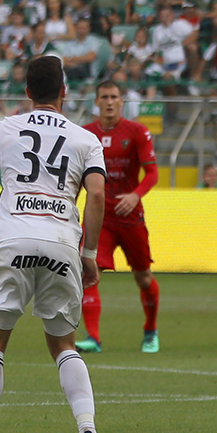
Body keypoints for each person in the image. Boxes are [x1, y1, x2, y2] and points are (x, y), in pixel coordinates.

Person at [0, 55, 105, 433]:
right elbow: (96, 195)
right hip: (61, 244)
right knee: (64, 345)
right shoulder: (86, 139)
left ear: (26, 92)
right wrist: (89, 253)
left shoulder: (4, 129)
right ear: (64, 92)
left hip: (12, 240)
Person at [77, 80, 161, 354]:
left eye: (114, 97)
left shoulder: (136, 132)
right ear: (96, 102)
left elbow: (152, 173)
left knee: (143, 277)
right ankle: (93, 338)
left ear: (121, 101)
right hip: (99, 219)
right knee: (89, 272)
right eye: (104, 97)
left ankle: (150, 330)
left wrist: (135, 195)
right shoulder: (85, 134)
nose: (109, 102)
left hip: (130, 217)